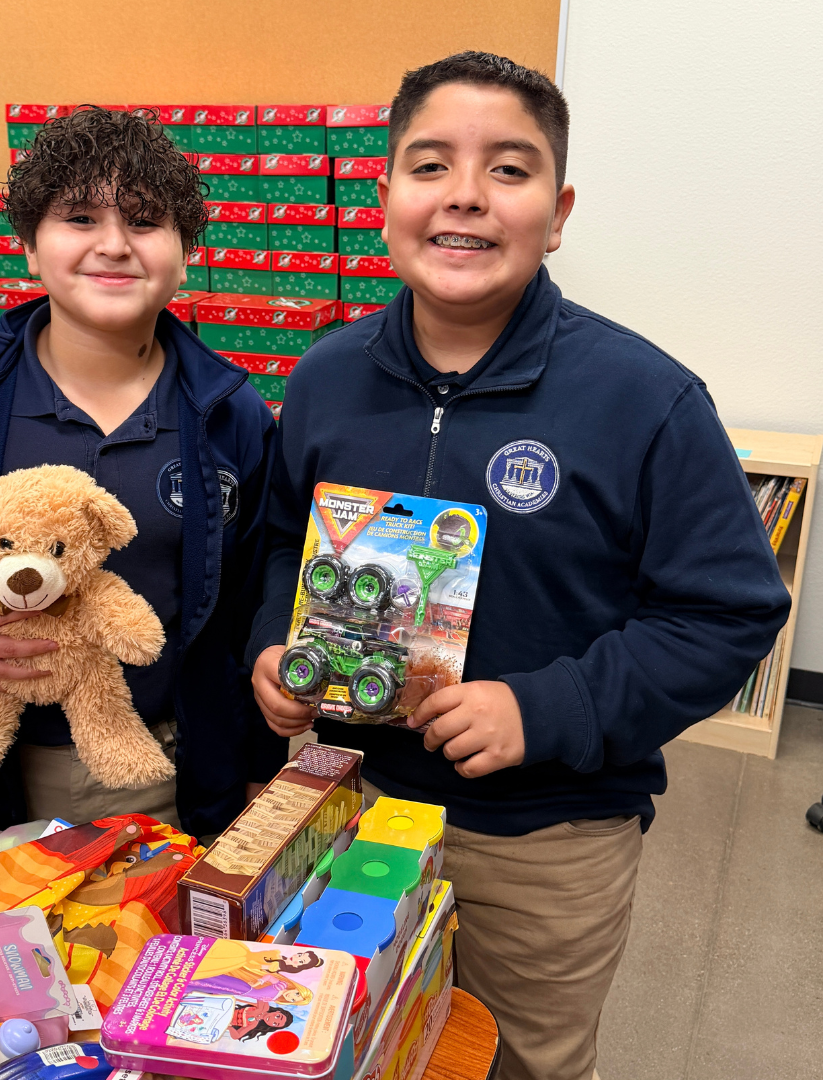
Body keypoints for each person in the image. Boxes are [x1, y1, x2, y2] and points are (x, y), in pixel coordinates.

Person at [247, 52, 790, 1080]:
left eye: (508, 169)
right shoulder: (323, 376)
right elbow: (282, 537)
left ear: (559, 207)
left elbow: (726, 614)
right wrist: (273, 645)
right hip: (346, 798)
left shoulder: (647, 398)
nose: (464, 196)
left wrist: (545, 710)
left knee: (518, 1061)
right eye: (430, 165)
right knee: (340, 1044)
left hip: (543, 838)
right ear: (384, 196)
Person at [0, 107, 286, 841]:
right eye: (80, 217)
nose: (113, 245)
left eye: (145, 222)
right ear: (29, 248)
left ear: (185, 254)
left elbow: (254, 592)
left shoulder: (231, 413)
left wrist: (259, 760)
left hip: (168, 762)